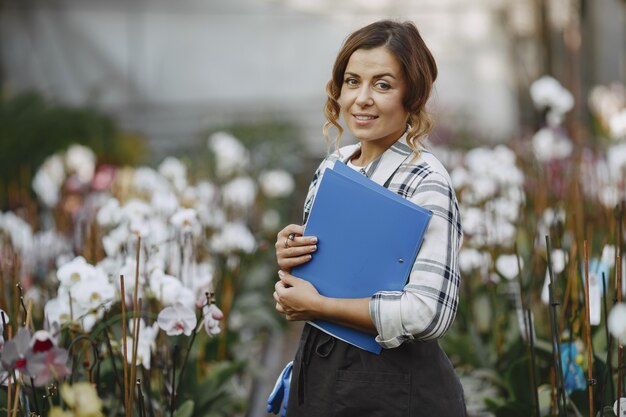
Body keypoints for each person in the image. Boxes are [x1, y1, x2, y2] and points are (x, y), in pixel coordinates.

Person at [273, 19, 466, 417]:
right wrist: (293, 256)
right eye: (351, 81)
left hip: (394, 390)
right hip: (321, 371)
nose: (361, 98)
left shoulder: (426, 181)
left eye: (382, 84)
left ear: (411, 96)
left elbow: (429, 314)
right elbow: (327, 273)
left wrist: (319, 305)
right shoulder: (334, 166)